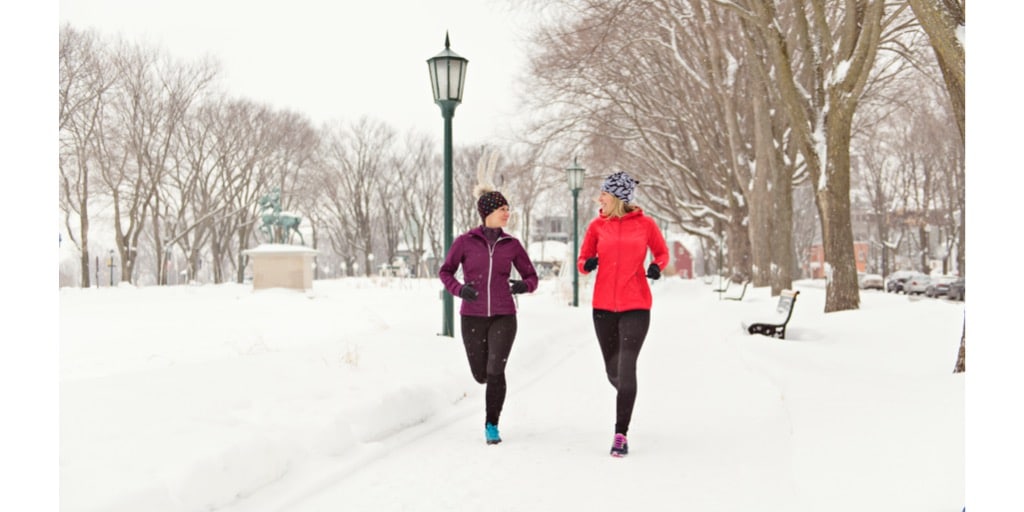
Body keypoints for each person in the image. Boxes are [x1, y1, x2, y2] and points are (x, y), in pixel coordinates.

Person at [577, 171, 668, 457]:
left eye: (604, 193)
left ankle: (620, 433)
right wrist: (587, 264)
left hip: (636, 305)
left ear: (617, 197)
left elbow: (662, 253)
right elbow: (581, 260)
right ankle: (625, 391)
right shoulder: (596, 226)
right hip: (603, 308)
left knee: (627, 365)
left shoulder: (646, 225)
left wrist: (656, 266)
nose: (599, 197)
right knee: (613, 370)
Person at [439, 185, 539, 445]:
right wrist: (460, 290)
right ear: (488, 211)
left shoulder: (512, 245)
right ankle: (489, 399)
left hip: (504, 316)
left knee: (496, 370)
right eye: (502, 208)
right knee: (481, 374)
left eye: (508, 208)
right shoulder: (464, 242)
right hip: (471, 316)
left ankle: (491, 424)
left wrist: (522, 286)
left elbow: (532, 277)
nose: (507, 213)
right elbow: (445, 272)